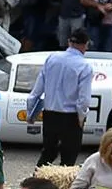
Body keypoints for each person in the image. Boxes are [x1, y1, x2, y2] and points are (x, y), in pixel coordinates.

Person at [27, 27, 94, 166]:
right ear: (85, 44)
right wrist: (81, 117)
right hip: (70, 116)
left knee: (47, 154)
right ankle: (62, 187)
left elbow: (37, 89)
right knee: (68, 158)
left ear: (69, 42)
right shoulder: (84, 66)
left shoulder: (52, 58)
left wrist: (31, 112)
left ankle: (35, 184)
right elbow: (84, 99)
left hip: (50, 114)